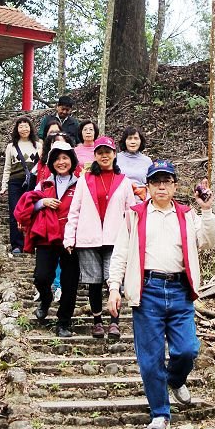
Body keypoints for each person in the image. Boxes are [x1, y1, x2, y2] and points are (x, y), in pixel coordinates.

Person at [107, 160, 215, 429]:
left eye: (167, 181)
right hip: (147, 290)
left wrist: (206, 210)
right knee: (150, 358)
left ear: (175, 186)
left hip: (180, 290)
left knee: (187, 349)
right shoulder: (135, 215)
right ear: (149, 186)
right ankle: (160, 413)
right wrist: (113, 288)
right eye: (156, 182)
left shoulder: (187, 214)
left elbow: (209, 241)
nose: (162, 187)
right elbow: (120, 254)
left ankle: (175, 379)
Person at [64, 136, 136, 340]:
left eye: (108, 152)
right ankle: (97, 321)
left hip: (115, 239)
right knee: (94, 282)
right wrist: (69, 237)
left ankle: (114, 322)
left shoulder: (124, 181)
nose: (104, 156)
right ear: (95, 155)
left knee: (114, 281)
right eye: (100, 152)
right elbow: (74, 210)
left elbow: (130, 213)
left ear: (114, 154)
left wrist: (132, 240)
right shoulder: (84, 180)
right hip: (88, 238)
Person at [14, 141, 80, 337]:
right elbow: (28, 205)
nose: (61, 162)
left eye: (65, 158)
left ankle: (64, 322)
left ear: (72, 160)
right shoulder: (44, 183)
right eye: (57, 158)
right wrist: (42, 202)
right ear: (51, 162)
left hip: (71, 240)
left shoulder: (81, 183)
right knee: (41, 277)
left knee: (70, 283)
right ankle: (45, 298)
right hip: (47, 237)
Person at [0, 116, 39, 255]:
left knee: (32, 212)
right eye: (21, 126)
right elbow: (7, 167)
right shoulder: (11, 146)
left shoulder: (38, 145)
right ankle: (17, 244)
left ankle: (32, 243)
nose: (24, 129)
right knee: (15, 213)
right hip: (15, 182)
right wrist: (4, 185)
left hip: (33, 182)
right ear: (17, 129)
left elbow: (41, 166)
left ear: (31, 128)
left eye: (26, 126)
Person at [116, 126, 153, 201]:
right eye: (129, 138)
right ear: (124, 141)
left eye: (136, 138)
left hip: (141, 199)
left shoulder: (147, 161)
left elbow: (151, 184)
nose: (133, 142)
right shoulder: (116, 158)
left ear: (140, 141)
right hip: (119, 198)